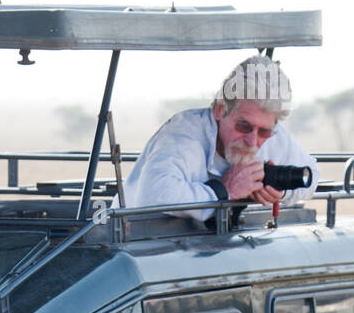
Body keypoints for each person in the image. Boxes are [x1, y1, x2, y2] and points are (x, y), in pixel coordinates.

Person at [122, 56, 319, 224]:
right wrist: (223, 191)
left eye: (264, 132)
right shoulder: (185, 136)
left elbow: (311, 177)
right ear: (220, 110)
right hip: (135, 240)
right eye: (244, 126)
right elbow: (152, 195)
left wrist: (280, 192)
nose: (252, 141)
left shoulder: (274, 135)